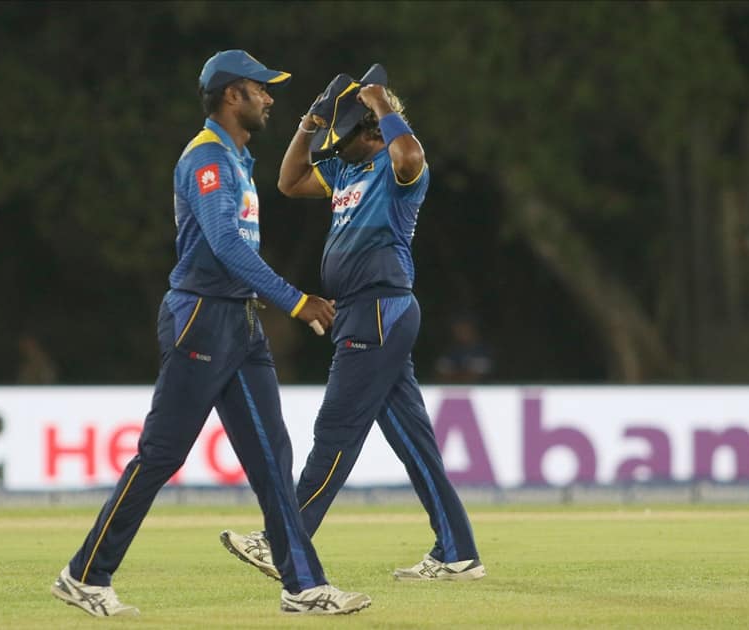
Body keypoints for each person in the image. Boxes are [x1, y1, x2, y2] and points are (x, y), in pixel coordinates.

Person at [50, 50, 371, 617]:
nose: (270, 97)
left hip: (238, 322)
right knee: (160, 455)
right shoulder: (208, 159)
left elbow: (233, 251)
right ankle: (85, 574)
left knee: (273, 456)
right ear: (231, 95)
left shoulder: (236, 158)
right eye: (260, 89)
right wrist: (296, 302)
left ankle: (303, 585)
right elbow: (225, 247)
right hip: (202, 316)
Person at [220, 64, 486, 583]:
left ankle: (283, 540)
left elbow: (411, 154)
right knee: (413, 442)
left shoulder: (396, 166)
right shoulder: (346, 171)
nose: (335, 142)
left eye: (346, 132)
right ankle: (457, 552)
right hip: (366, 311)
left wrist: (381, 102)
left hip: (380, 308)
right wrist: (311, 123)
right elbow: (289, 180)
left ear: (370, 131)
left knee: (336, 430)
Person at [434, 313, 493, 384]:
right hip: (453, 391)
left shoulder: (483, 351)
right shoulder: (451, 351)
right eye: (458, 329)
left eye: (465, 328)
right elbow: (441, 375)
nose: (461, 332)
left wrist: (456, 373)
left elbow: (477, 376)